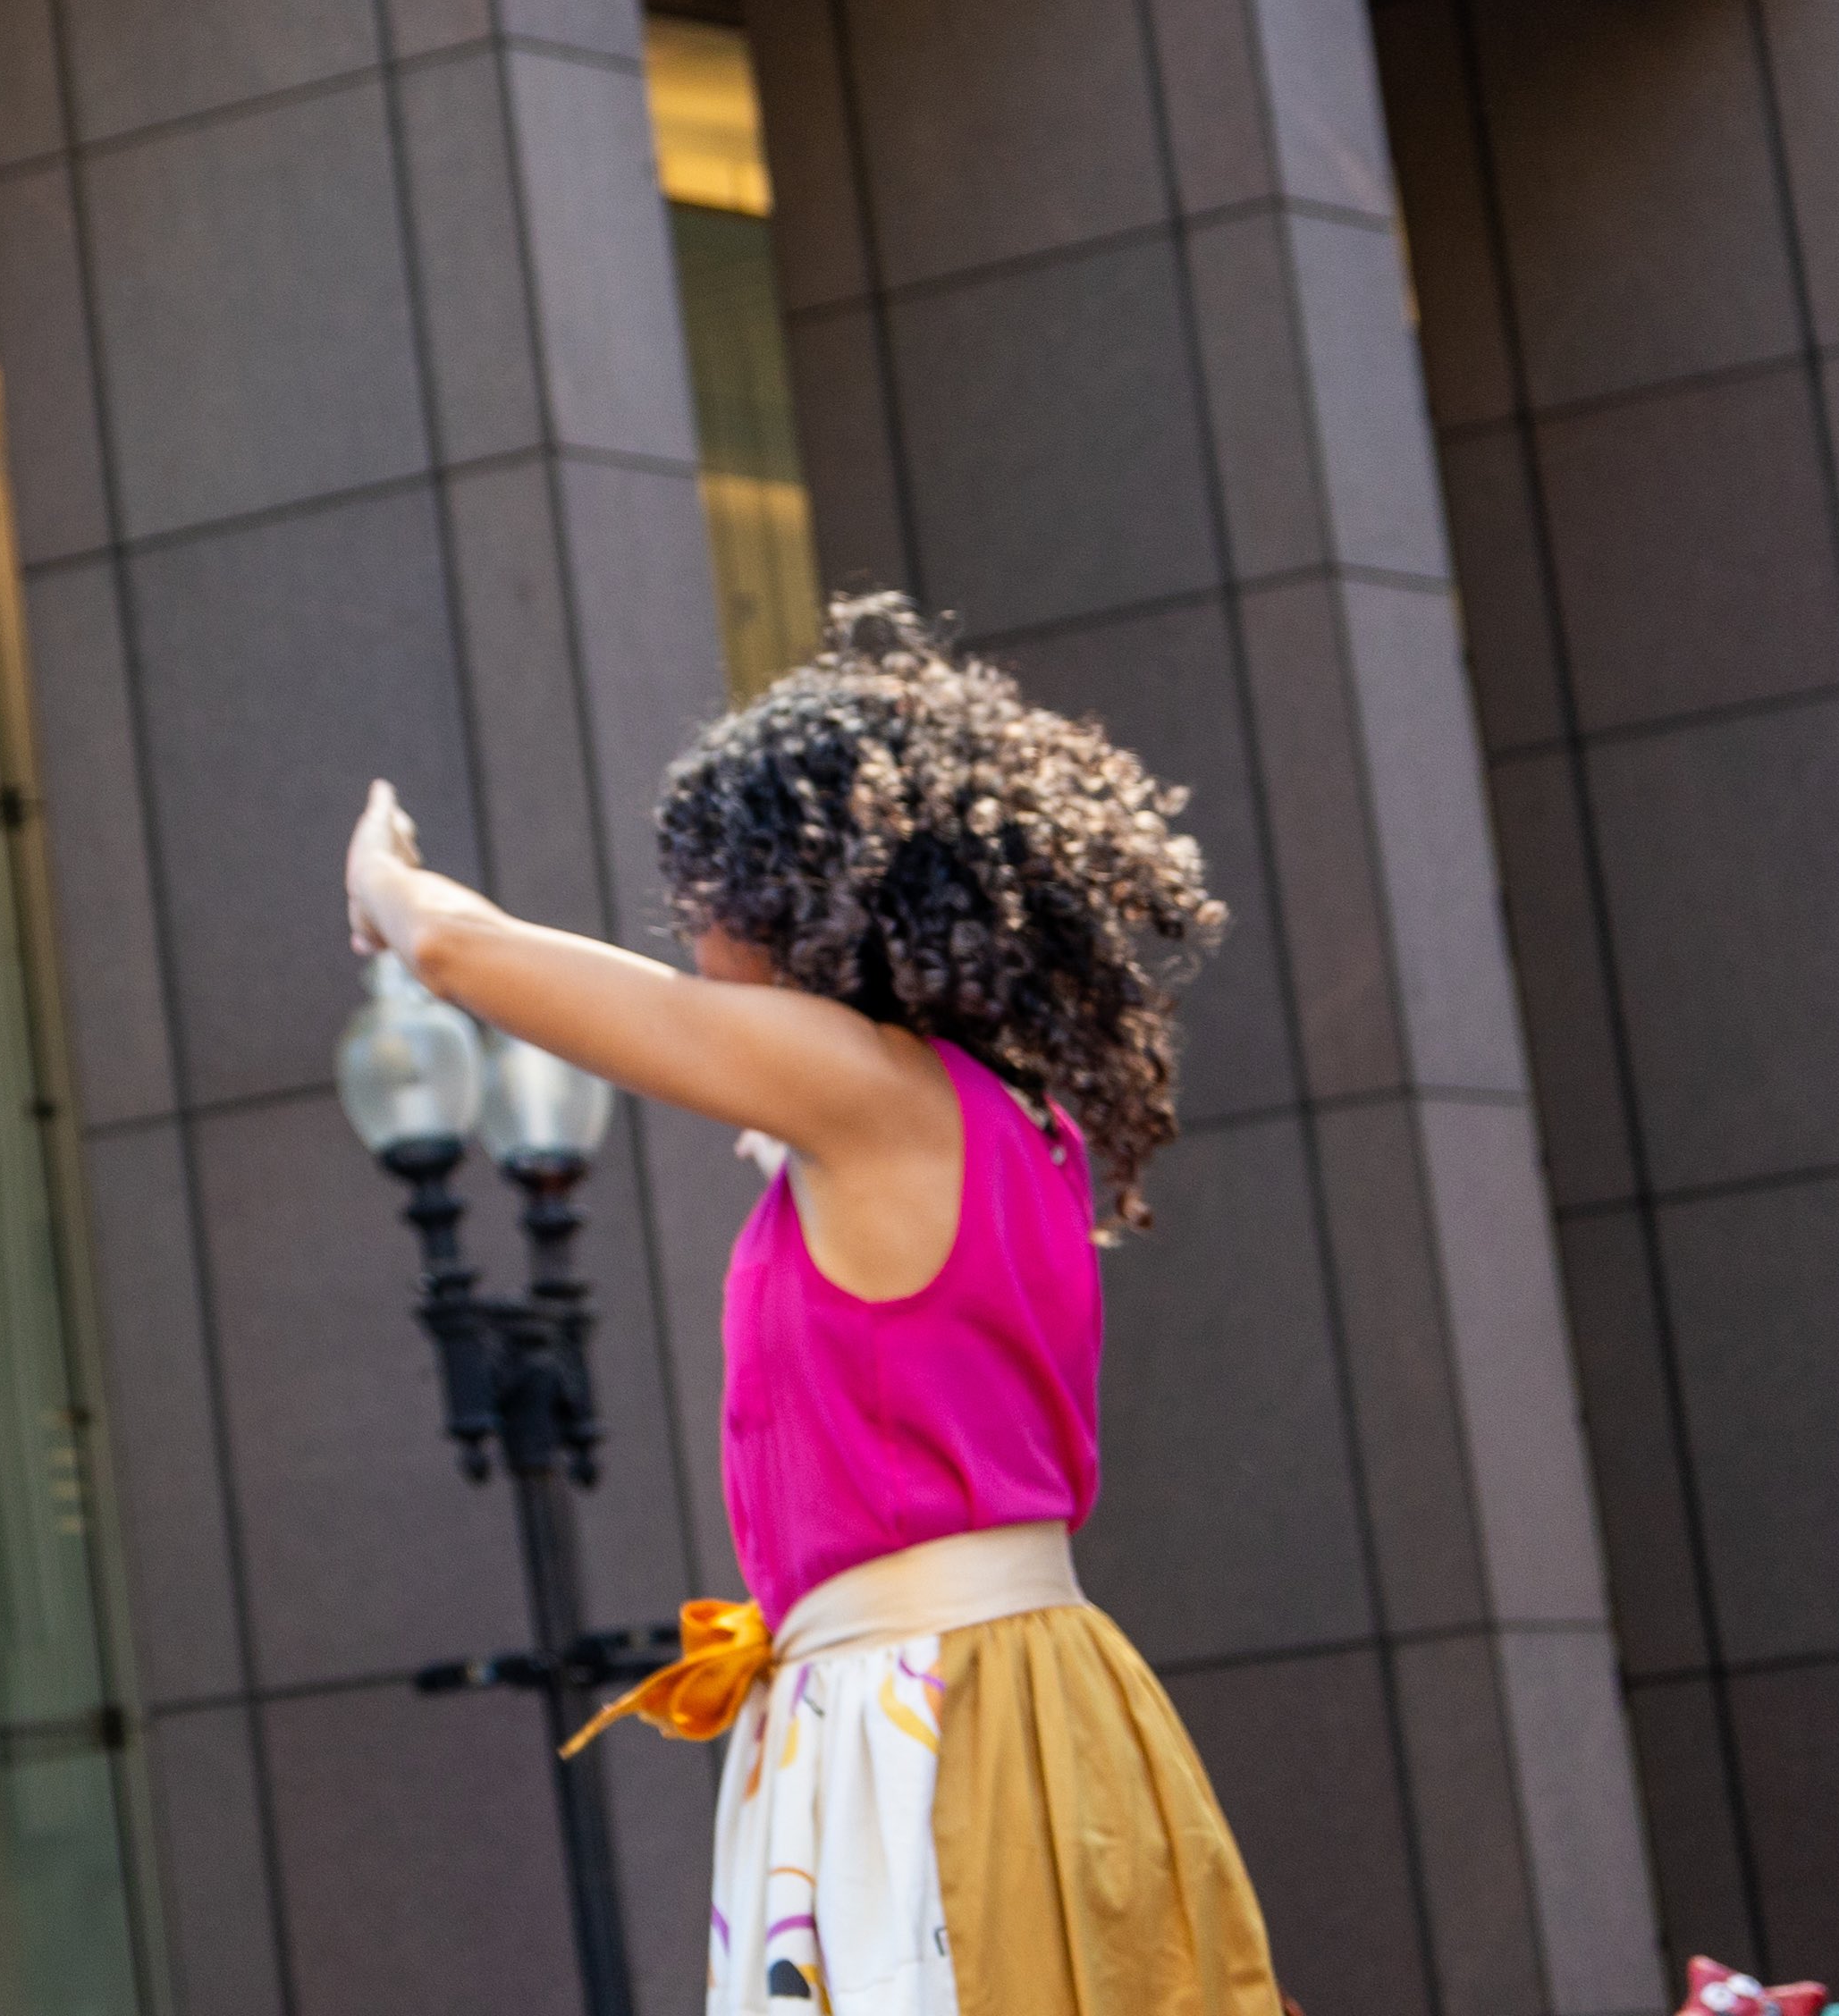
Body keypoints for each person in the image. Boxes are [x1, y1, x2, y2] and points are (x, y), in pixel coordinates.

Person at [340, 595, 1282, 2016]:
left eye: (702, 899)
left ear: (790, 897)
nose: (692, 939)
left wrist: (390, 888)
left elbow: (475, 962)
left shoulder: (866, 1100)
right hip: (977, 1695)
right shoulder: (985, 1118)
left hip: (931, 1710)